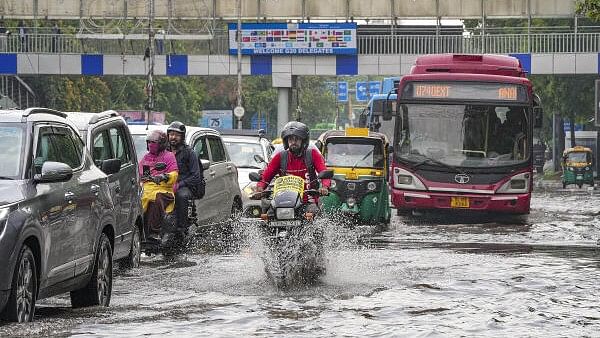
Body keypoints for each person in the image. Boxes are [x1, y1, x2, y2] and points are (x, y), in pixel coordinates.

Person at [256, 121, 330, 210]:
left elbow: (324, 173)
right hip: (283, 202)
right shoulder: (280, 157)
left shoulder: (313, 154)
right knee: (267, 214)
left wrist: (324, 187)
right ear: (286, 141)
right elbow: (265, 177)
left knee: (314, 212)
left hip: (308, 200)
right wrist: (260, 187)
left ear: (304, 141)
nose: (293, 142)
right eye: (290, 139)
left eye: (297, 139)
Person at [139, 130, 178, 241]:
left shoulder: (169, 156)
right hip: (147, 188)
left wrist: (163, 176)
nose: (151, 145)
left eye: (154, 143)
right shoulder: (146, 158)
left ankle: (153, 232)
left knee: (156, 199)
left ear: (161, 144)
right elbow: (141, 173)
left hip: (164, 190)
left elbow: (174, 174)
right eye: (149, 142)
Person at [167, 121, 204, 235]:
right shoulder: (163, 151)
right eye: (171, 134)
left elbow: (196, 176)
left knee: (181, 196)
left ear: (182, 137)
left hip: (185, 185)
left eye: (177, 135)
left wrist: (179, 184)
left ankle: (181, 228)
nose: (173, 137)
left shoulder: (189, 153)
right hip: (166, 183)